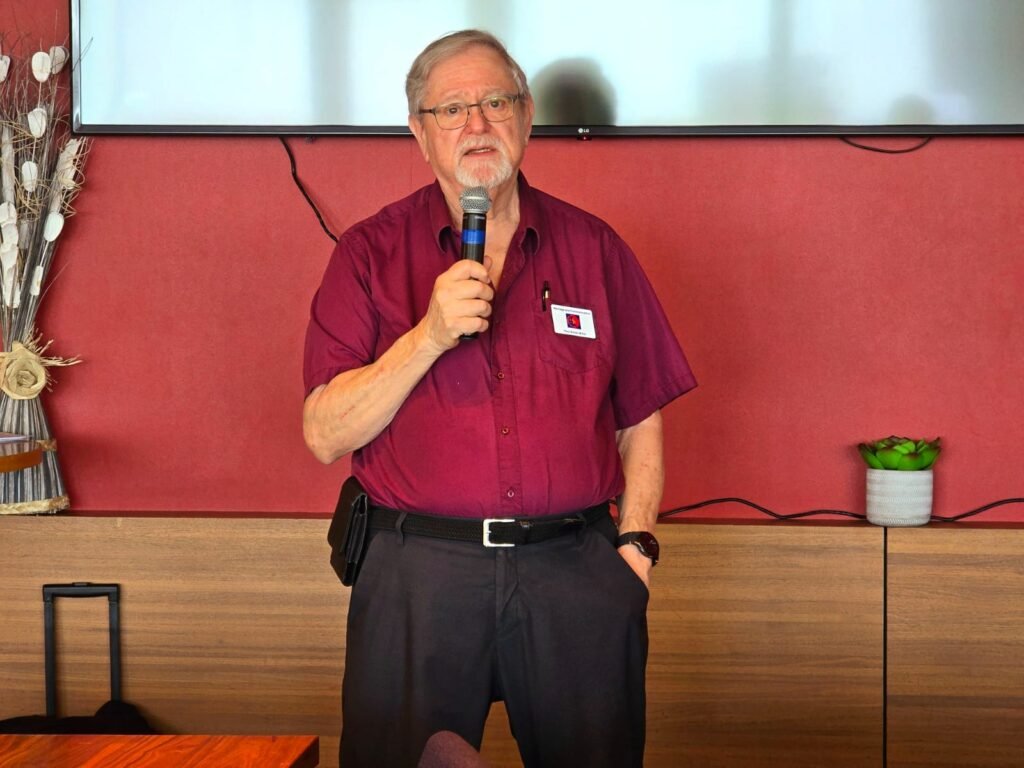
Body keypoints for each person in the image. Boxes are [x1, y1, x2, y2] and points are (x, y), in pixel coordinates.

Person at [302, 29, 696, 768]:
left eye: (495, 102)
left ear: (527, 114)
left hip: (574, 572)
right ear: (419, 132)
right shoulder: (367, 254)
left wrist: (635, 547)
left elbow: (641, 413)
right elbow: (324, 433)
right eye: (451, 109)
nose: (477, 124)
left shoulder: (595, 249)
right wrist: (428, 335)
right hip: (417, 573)